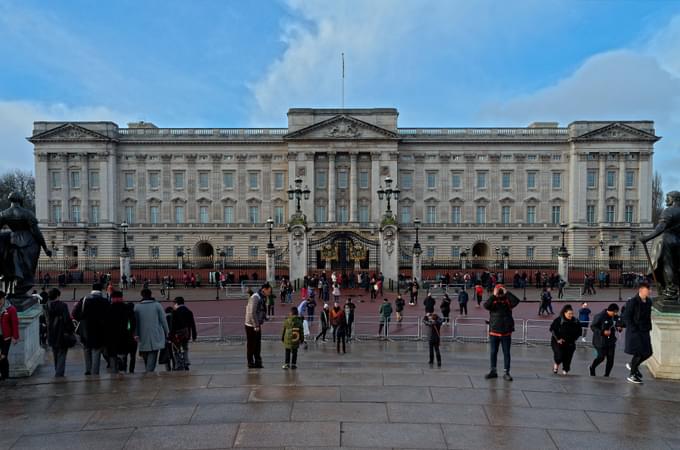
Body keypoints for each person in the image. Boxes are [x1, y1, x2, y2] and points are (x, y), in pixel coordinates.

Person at [484, 284, 520, 381]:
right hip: (494, 331)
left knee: (506, 353)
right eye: (497, 289)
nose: (499, 291)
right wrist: (494, 295)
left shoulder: (508, 300)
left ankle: (506, 372)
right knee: (493, 352)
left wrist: (506, 293)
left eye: (500, 289)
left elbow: (516, 301)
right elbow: (486, 305)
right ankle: (493, 371)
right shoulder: (493, 300)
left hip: (506, 331)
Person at [72, 283, 109, 376]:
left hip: (85, 329)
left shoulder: (84, 300)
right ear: (101, 290)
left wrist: (83, 319)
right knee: (96, 350)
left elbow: (74, 314)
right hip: (100, 329)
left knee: (86, 348)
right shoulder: (105, 301)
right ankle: (95, 372)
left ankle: (88, 369)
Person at [624, 282, 653, 384]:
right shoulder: (632, 302)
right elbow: (627, 317)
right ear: (640, 290)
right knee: (639, 353)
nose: (649, 291)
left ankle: (633, 366)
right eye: (647, 289)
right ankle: (632, 375)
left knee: (648, 352)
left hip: (645, 330)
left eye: (649, 289)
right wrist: (633, 329)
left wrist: (649, 327)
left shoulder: (649, 301)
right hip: (635, 332)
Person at [134, 288, 169, 373]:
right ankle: (149, 374)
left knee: (146, 358)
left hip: (142, 336)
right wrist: (167, 332)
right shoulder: (157, 305)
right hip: (155, 335)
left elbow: (134, 323)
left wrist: (135, 334)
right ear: (151, 294)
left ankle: (148, 373)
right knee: (152, 358)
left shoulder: (137, 307)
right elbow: (163, 320)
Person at [46, 288, 75, 377]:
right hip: (62, 332)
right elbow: (67, 320)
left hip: (51, 332)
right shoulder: (63, 305)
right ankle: (59, 373)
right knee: (62, 353)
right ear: (58, 295)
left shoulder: (47, 305)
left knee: (55, 353)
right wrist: (71, 330)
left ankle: (57, 370)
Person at [589, 303, 622, 377]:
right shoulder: (600, 316)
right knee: (601, 357)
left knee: (610, 359)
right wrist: (603, 332)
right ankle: (592, 367)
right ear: (610, 311)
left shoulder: (614, 317)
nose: (615, 314)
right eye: (614, 312)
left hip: (611, 341)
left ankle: (607, 375)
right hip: (600, 341)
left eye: (616, 312)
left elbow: (619, 322)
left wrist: (619, 327)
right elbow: (593, 327)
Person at [106, 290, 136, 374]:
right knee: (123, 354)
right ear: (121, 298)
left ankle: (114, 371)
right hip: (124, 336)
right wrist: (130, 331)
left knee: (112, 356)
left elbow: (105, 324)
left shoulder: (108, 308)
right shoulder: (127, 308)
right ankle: (122, 368)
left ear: (112, 298)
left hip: (112, 337)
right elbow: (132, 323)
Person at [549, 304, 582, 375]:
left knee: (568, 358)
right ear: (564, 313)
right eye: (569, 314)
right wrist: (558, 339)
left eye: (572, 314)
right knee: (559, 356)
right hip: (558, 342)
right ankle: (556, 364)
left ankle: (565, 371)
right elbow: (552, 329)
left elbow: (579, 331)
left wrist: (575, 338)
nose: (571, 315)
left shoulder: (575, 321)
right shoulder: (559, 320)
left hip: (570, 343)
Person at [244, 282, 270, 368]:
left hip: (256, 324)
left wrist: (265, 317)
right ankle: (250, 362)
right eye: (269, 291)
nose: (269, 293)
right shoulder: (256, 297)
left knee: (257, 344)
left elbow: (261, 309)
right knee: (251, 344)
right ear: (264, 290)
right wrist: (256, 325)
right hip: (251, 325)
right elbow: (252, 312)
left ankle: (258, 362)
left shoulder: (262, 297)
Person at [171, 297, 197, 370]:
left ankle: (179, 364)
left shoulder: (175, 311)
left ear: (176, 303)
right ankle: (186, 361)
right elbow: (192, 324)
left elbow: (173, 324)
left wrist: (171, 334)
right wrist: (194, 335)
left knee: (176, 349)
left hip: (177, 333)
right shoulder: (188, 311)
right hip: (186, 333)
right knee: (185, 347)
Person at [0, 291, 19, 380]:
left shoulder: (11, 309)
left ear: (4, 299)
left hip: (6, 337)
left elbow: (14, 323)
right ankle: (3, 375)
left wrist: (15, 337)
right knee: (2, 357)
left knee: (3, 356)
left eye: (0, 299)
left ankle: (5, 375)